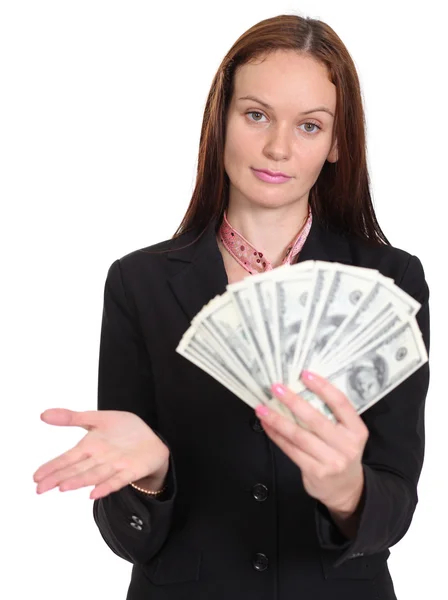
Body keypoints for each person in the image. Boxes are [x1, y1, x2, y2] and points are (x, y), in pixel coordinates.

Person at [32, 13, 430, 600]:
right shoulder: (138, 282)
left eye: (310, 126)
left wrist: (348, 489)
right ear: (220, 121)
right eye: (256, 115)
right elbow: (129, 539)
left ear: (338, 142)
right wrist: (150, 479)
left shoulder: (391, 280)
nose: (277, 147)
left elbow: (395, 506)